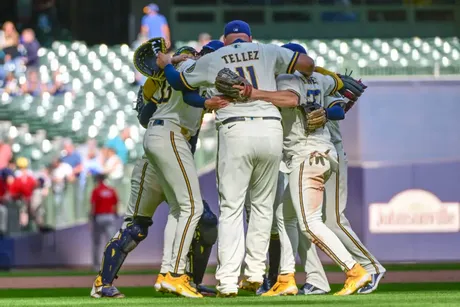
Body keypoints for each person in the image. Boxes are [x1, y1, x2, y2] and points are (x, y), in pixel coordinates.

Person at [156, 19, 316, 297]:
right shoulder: (266, 50)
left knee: (231, 208)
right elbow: (307, 64)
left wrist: (167, 62)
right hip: (270, 127)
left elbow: (178, 81)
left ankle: (229, 281)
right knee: (263, 207)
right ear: (249, 37)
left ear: (225, 39)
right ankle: (255, 272)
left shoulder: (216, 56)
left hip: (236, 128)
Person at [90, 43, 226, 299]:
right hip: (166, 148)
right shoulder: (191, 71)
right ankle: (166, 276)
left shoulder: (167, 77)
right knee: (175, 216)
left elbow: (144, 116)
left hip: (166, 148)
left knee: (193, 217)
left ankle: (179, 277)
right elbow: (186, 96)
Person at [263, 42, 371, 296]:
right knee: (284, 215)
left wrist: (254, 93)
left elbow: (290, 98)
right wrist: (326, 105)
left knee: (310, 223)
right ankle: (286, 277)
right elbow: (338, 101)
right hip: (321, 152)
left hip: (305, 154)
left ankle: (355, 270)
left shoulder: (284, 80)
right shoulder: (321, 80)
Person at [90, 174, 119, 272]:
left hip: (99, 216)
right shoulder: (111, 190)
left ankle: (96, 265)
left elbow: (93, 205)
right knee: (112, 242)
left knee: (96, 243)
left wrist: (92, 217)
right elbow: (116, 203)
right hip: (110, 216)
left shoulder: (96, 190)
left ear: (98, 179)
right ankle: (111, 263)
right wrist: (115, 214)